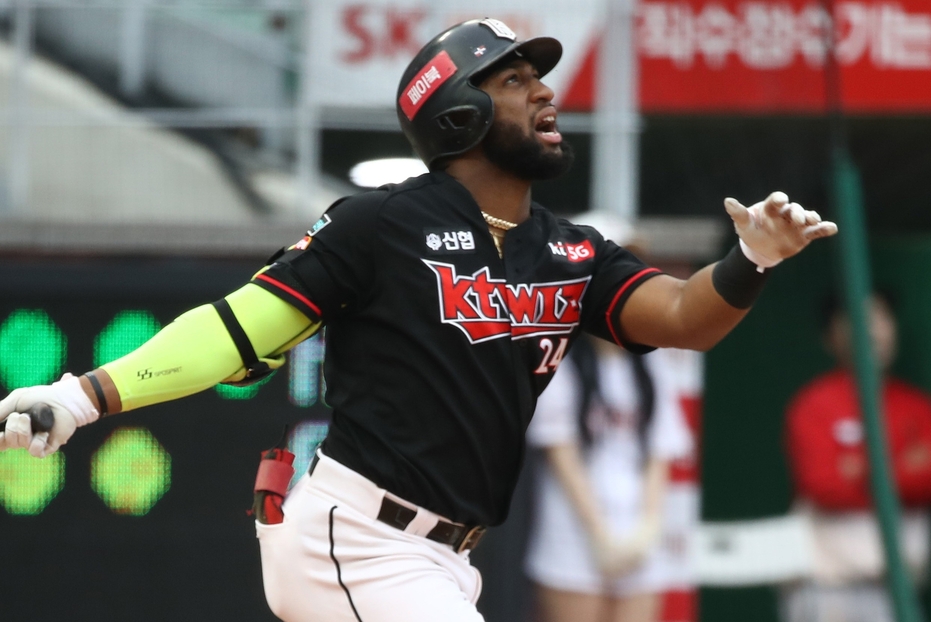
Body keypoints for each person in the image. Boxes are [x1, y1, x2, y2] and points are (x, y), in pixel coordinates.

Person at [0, 17, 836, 622]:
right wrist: (79, 398)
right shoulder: (381, 225)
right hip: (356, 541)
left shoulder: (571, 250)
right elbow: (236, 328)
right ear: (457, 114)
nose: (545, 92)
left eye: (536, 77)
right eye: (513, 80)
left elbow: (685, 318)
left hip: (443, 561)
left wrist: (750, 259)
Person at [524, 214, 693, 622]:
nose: (622, 281)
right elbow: (560, 452)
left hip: (637, 536)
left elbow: (660, 451)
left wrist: (648, 528)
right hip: (572, 532)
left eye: (630, 267)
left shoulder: (651, 364)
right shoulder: (556, 356)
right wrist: (600, 535)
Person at [783, 292, 931, 622]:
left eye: (880, 317)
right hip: (828, 590)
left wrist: (863, 469)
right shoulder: (815, 404)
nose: (873, 330)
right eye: (856, 319)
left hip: (899, 590)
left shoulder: (917, 406)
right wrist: (901, 466)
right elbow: (824, 486)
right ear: (830, 337)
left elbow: (930, 478)